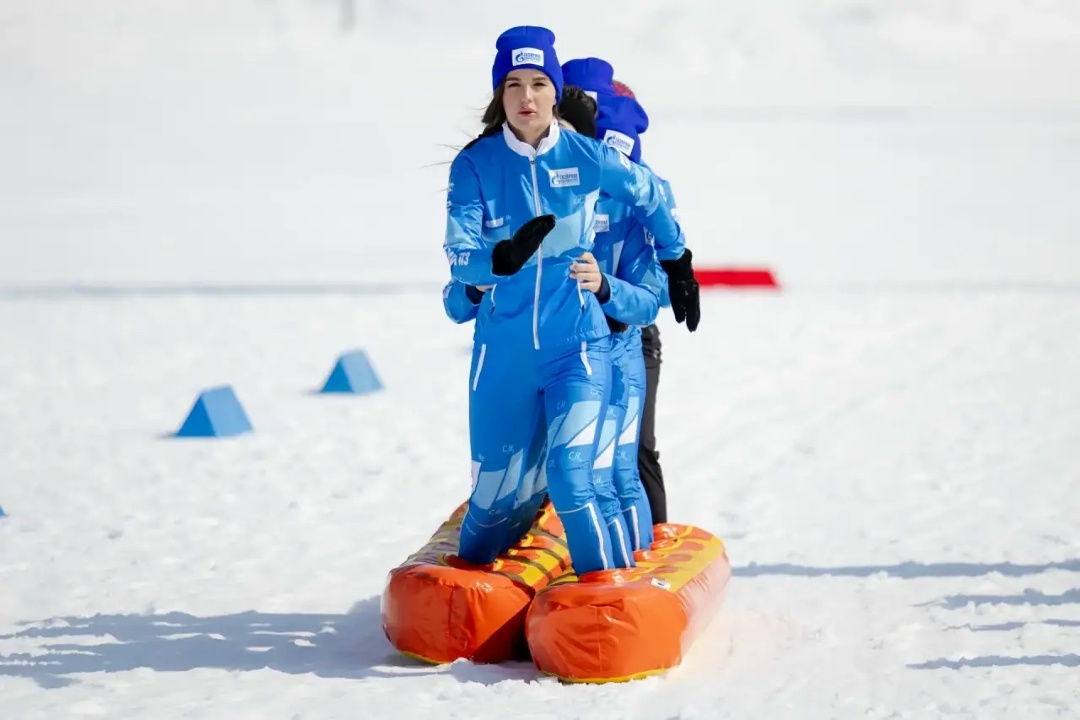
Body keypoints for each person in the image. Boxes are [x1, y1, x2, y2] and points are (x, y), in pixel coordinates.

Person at [443, 26, 684, 576]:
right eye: (512, 85)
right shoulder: (476, 165)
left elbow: (650, 193)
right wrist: (496, 260)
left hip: (578, 348)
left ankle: (610, 596)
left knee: (577, 479)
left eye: (537, 84)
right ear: (499, 95)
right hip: (501, 356)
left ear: (555, 92)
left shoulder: (588, 155)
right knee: (493, 496)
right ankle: (473, 603)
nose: (525, 98)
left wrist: (676, 257)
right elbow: (458, 255)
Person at [561, 57, 701, 526]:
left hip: (628, 339)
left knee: (633, 452)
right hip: (556, 337)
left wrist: (608, 293)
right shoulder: (544, 178)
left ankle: (650, 550)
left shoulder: (645, 188)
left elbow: (655, 290)